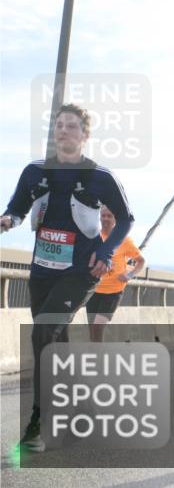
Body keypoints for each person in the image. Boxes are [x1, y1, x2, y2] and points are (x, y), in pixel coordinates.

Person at [1, 104, 134, 454]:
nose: (63, 131)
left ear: (85, 135)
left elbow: (125, 219)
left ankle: (37, 425)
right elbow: (17, 208)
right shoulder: (34, 171)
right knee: (53, 343)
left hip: (81, 271)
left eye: (71, 126)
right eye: (58, 125)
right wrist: (7, 221)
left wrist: (106, 253)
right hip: (43, 269)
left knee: (44, 332)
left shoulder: (99, 177)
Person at [87, 205, 145, 341]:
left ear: (115, 220)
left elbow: (141, 261)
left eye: (109, 216)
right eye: (103, 215)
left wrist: (129, 275)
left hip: (113, 291)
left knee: (97, 327)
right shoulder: (93, 237)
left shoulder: (124, 240)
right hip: (93, 290)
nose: (105, 219)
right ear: (99, 217)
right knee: (92, 331)